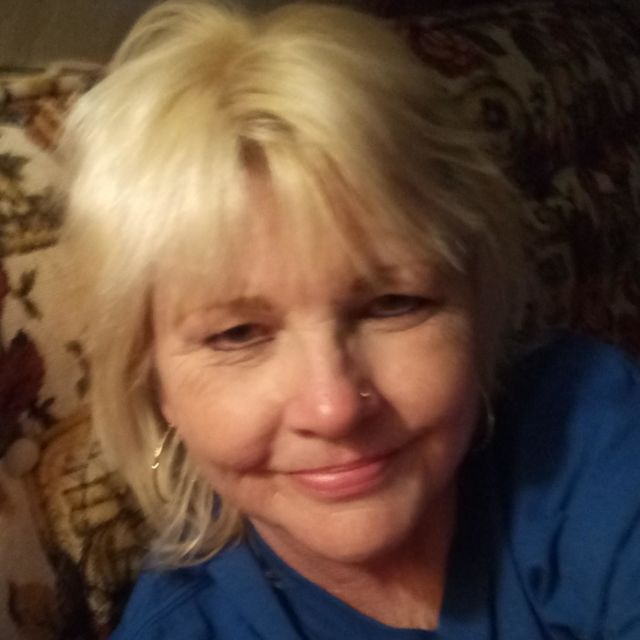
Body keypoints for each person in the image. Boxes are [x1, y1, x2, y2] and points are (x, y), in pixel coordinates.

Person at [62, 1, 640, 638]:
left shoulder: (583, 426)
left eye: (394, 304)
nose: (334, 408)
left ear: (475, 300)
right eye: (237, 334)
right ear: (155, 384)